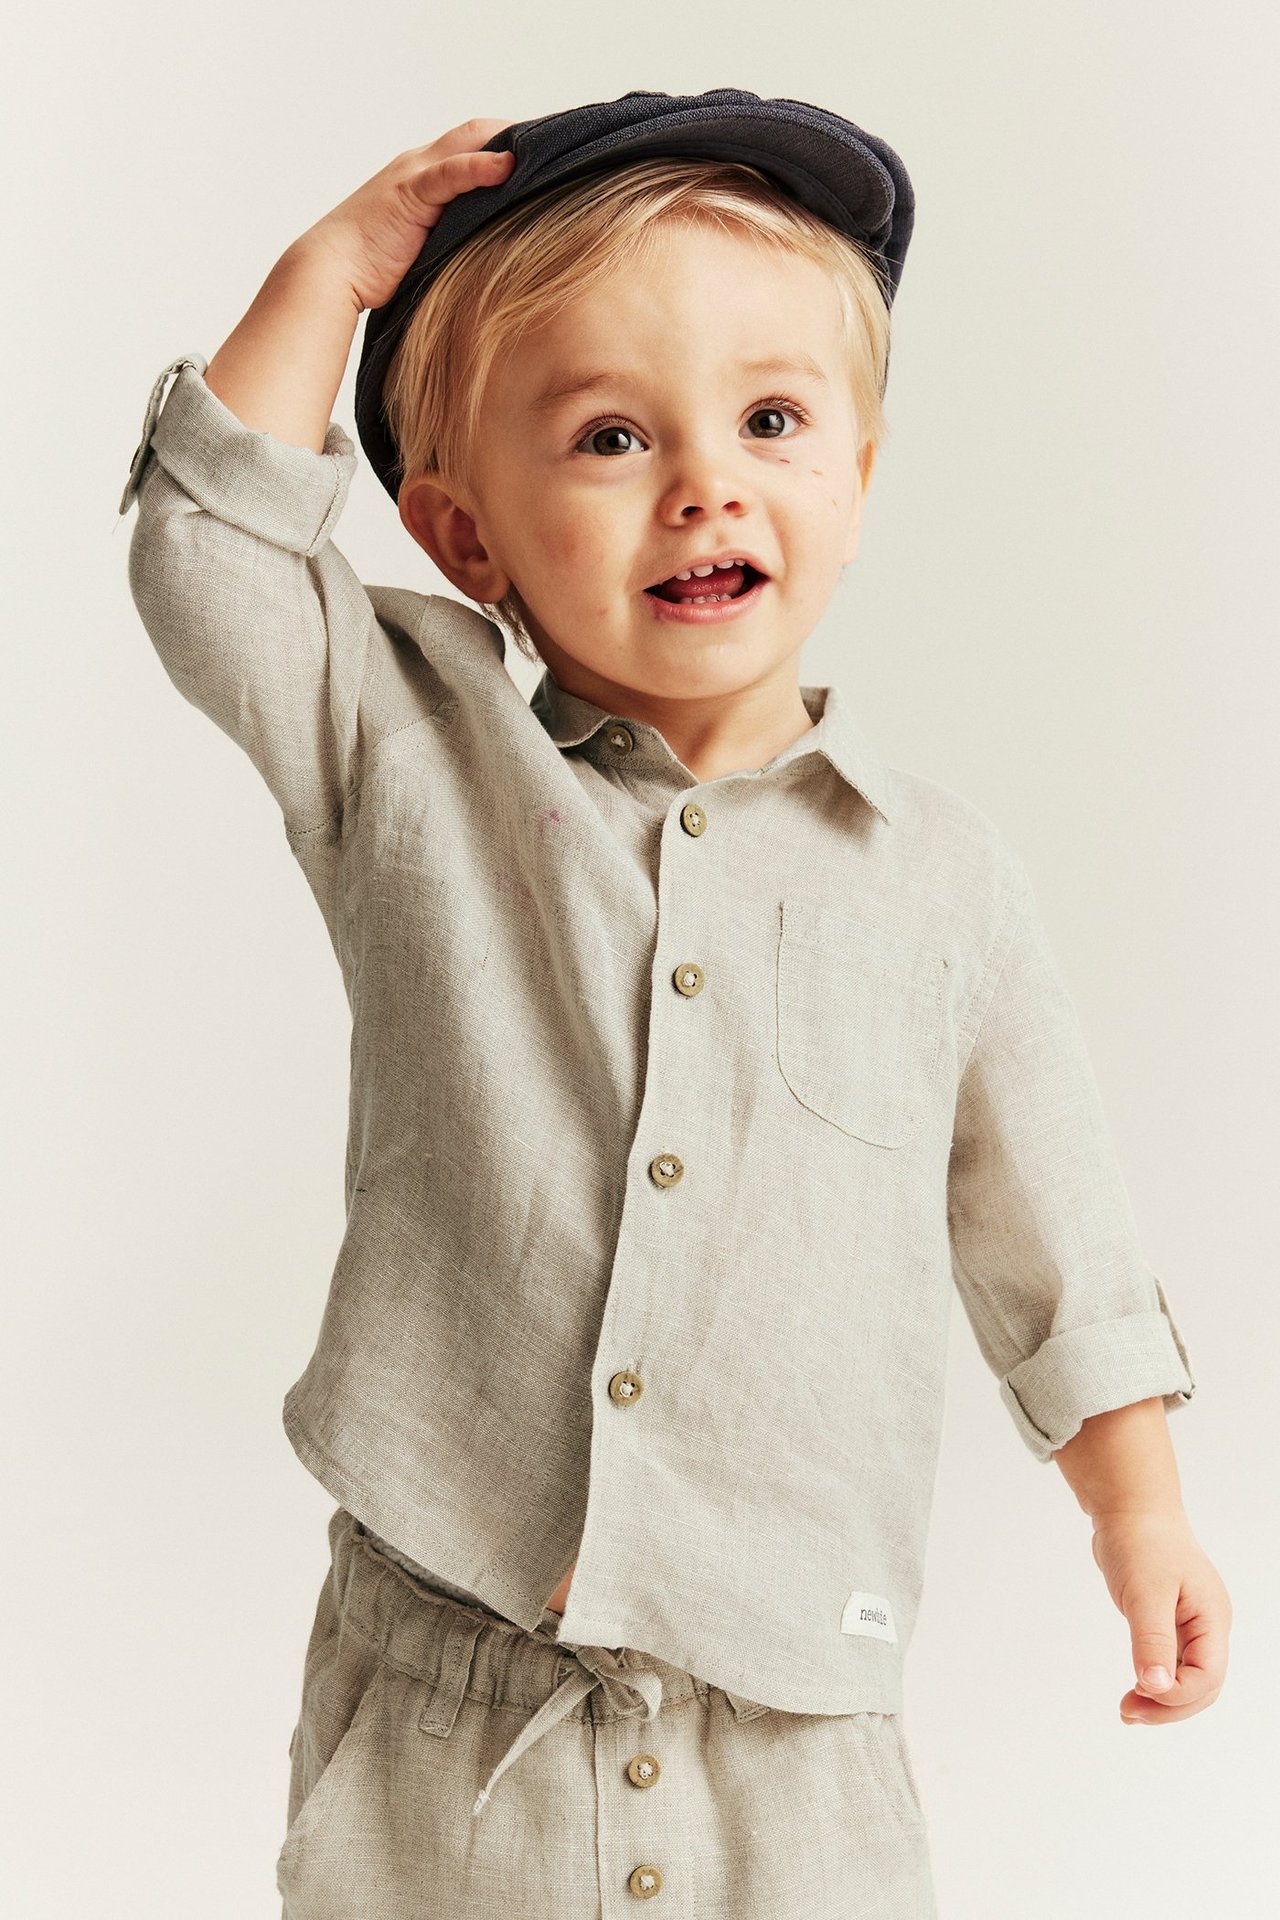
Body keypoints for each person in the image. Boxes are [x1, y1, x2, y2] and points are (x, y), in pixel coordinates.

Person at [117, 89, 1230, 1920]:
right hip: (446, 1686)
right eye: (613, 437)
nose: (707, 481)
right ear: (465, 536)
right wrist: (322, 277)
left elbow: (1057, 1230)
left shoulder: (940, 881)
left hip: (791, 1707)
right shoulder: (406, 748)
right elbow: (208, 557)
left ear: (858, 481)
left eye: (773, 420)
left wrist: (1141, 1505)